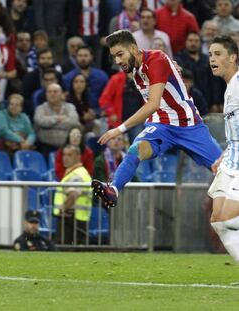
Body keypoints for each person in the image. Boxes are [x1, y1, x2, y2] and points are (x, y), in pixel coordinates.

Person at [92, 30, 222, 208]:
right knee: (135, 150)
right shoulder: (136, 72)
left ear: (133, 48)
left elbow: (153, 104)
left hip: (189, 125)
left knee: (223, 171)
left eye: (120, 54)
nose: (117, 61)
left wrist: (119, 129)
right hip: (161, 126)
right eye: (114, 56)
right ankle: (113, 190)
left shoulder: (157, 59)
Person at [207, 35, 239, 263]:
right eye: (210, 55)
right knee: (218, 220)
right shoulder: (229, 88)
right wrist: (225, 155)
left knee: (228, 219)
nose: (212, 59)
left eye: (218, 54)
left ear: (233, 57)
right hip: (231, 158)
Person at [175, 32, 224, 113]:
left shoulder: (208, 60)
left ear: (200, 43)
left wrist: (216, 102)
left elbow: (215, 82)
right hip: (187, 101)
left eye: (196, 41)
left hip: (208, 101)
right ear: (186, 42)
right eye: (190, 40)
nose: (193, 43)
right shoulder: (179, 59)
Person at [53, 144, 92, 245]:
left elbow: (73, 195)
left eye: (69, 155)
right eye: (64, 155)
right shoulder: (78, 172)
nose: (65, 158)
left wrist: (62, 210)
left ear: (78, 157)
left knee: (65, 250)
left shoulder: (77, 175)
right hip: (77, 218)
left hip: (71, 219)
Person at [33, 83, 80, 158]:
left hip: (68, 146)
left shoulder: (70, 107)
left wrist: (50, 125)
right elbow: (41, 121)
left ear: (61, 94)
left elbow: (73, 122)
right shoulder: (40, 108)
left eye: (55, 91)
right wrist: (57, 118)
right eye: (49, 92)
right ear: (46, 95)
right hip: (46, 146)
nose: (52, 94)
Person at [63, 46, 109, 115]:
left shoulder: (102, 76)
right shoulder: (67, 78)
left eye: (86, 55)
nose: (83, 58)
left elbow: (108, 98)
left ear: (91, 57)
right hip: (75, 112)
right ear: (76, 58)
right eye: (80, 55)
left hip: (99, 112)